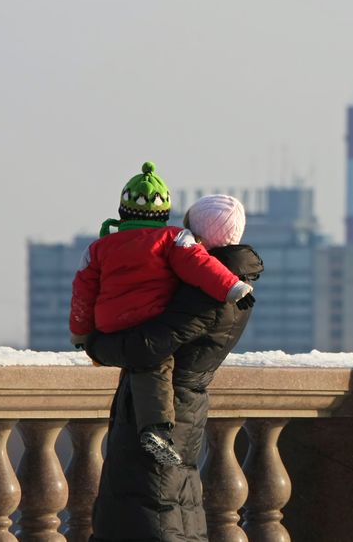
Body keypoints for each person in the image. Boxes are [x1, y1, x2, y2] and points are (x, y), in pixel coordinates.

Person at [85, 193, 264, 542]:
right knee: (172, 505)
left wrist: (94, 343)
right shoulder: (230, 286)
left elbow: (148, 346)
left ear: (198, 237)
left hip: (164, 410)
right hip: (183, 406)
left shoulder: (206, 294)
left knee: (150, 505)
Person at [69, 163, 253, 466]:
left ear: (123, 212)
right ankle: (156, 430)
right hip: (146, 320)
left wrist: (80, 333)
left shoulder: (99, 247)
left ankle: (153, 431)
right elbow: (201, 268)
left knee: (146, 362)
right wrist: (232, 288)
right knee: (155, 362)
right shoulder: (174, 241)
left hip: (109, 325)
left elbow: (82, 294)